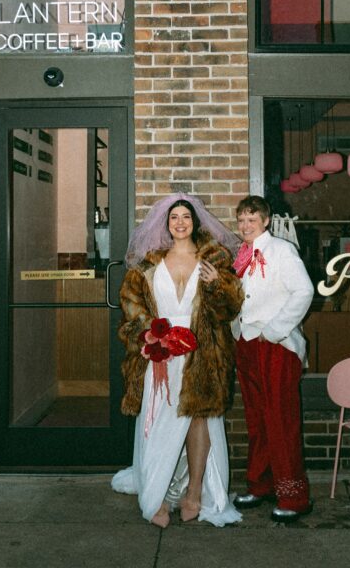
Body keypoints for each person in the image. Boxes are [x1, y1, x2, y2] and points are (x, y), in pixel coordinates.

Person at [111, 193, 243, 528]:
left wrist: (217, 286)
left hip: (203, 353)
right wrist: (150, 335)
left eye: (185, 216)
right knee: (158, 423)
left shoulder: (213, 261)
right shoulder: (149, 264)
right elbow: (131, 305)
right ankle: (157, 495)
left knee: (199, 420)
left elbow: (229, 310)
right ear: (166, 223)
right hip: (162, 353)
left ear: (194, 222)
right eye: (174, 217)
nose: (180, 223)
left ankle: (195, 493)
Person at [231, 195, 315, 522]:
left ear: (266, 221)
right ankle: (261, 484)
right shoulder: (241, 254)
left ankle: (294, 497)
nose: (245, 225)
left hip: (276, 345)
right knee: (257, 419)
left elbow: (304, 292)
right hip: (247, 343)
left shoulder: (282, 250)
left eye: (252, 219)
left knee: (280, 420)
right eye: (241, 220)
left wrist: (276, 329)